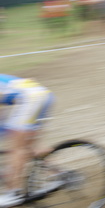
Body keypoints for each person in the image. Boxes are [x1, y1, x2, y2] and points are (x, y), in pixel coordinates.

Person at [0, 74, 55, 208]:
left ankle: (13, 193)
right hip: (42, 96)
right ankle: (60, 175)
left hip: (31, 100)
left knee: (18, 147)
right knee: (28, 146)